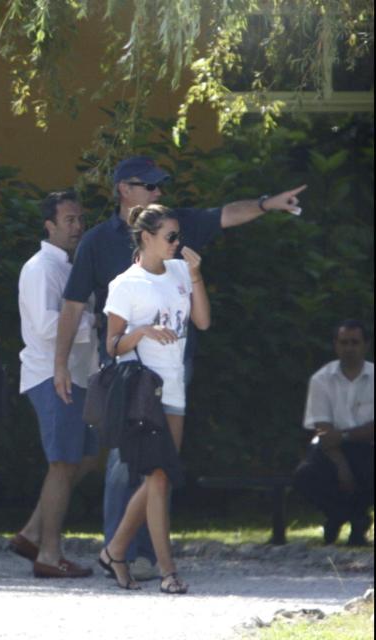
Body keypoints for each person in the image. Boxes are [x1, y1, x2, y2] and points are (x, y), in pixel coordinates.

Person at [54, 156, 306, 579]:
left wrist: (266, 203)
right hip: (129, 373)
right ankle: (123, 552)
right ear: (123, 190)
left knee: (162, 467)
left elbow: (224, 215)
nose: (157, 193)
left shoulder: (177, 230)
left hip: (173, 371)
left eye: (159, 186)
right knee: (124, 464)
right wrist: (60, 363)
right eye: (148, 186)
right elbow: (74, 305)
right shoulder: (99, 243)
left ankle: (144, 555)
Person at [99, 203, 211, 594]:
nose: (178, 244)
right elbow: (112, 345)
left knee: (162, 475)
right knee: (159, 476)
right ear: (146, 238)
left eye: (179, 236)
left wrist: (195, 276)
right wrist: (142, 331)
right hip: (143, 391)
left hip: (174, 384)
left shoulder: (181, 270)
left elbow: (202, 322)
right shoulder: (126, 284)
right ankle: (168, 571)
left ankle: (114, 550)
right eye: (171, 237)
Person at [14, 191, 97, 578]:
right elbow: (48, 327)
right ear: (49, 225)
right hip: (50, 374)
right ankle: (48, 554)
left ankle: (33, 533)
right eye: (69, 220)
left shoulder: (66, 265)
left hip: (74, 374)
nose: (77, 226)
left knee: (82, 457)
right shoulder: (40, 268)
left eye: (80, 219)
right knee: (63, 463)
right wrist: (96, 322)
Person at [293, 319, 374, 546]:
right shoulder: (321, 379)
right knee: (305, 475)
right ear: (336, 345)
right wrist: (341, 466)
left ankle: (352, 519)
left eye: (355, 342)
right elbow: (323, 429)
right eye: (344, 342)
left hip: (367, 448)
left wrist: (347, 436)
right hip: (329, 449)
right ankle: (346, 516)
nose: (349, 348)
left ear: (365, 345)